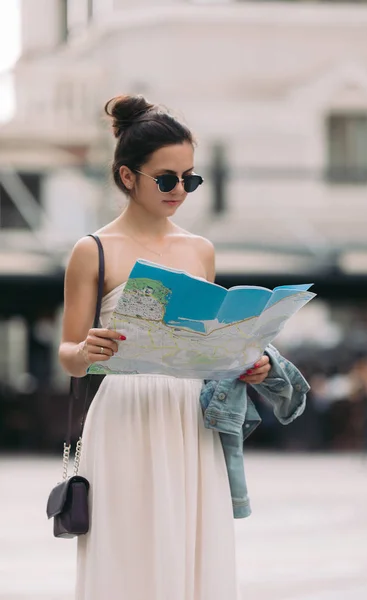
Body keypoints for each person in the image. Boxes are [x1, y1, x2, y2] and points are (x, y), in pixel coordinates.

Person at [58, 95, 272, 600]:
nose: (181, 190)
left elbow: (206, 344)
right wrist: (86, 350)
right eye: (168, 178)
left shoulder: (200, 250)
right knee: (128, 548)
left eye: (191, 178)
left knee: (192, 544)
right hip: (123, 413)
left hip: (189, 417)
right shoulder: (93, 250)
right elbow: (66, 352)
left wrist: (246, 363)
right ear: (128, 176)